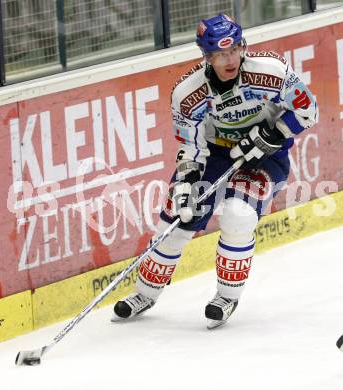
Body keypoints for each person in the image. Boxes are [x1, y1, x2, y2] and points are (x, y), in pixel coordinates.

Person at [111, 13, 318, 329]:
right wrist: (186, 183)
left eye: (234, 49)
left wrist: (272, 134)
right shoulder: (187, 93)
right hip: (214, 156)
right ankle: (145, 293)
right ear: (206, 56)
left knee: (238, 215)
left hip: (266, 156)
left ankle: (226, 296)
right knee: (177, 221)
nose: (230, 58)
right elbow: (191, 148)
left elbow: (308, 110)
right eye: (220, 54)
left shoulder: (273, 71)